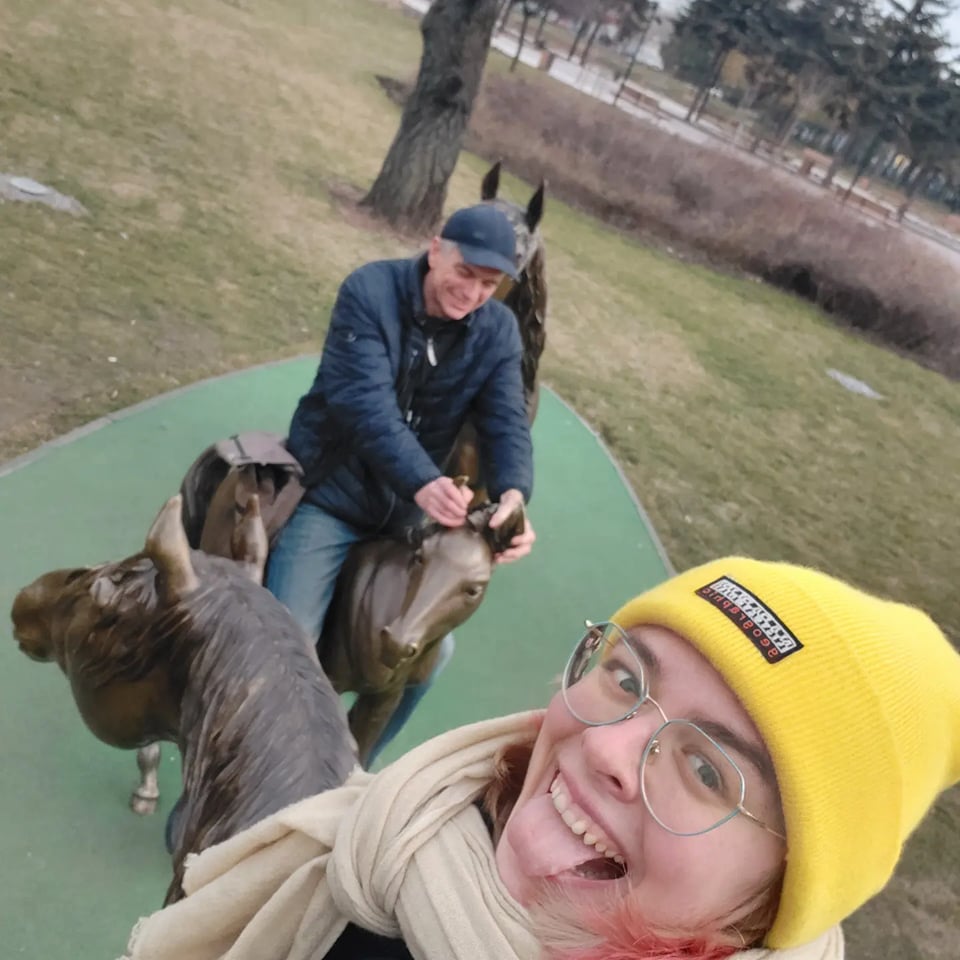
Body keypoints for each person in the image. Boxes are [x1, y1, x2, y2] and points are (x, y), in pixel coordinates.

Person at [119, 556, 960, 960]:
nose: (606, 745)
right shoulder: (380, 856)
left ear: (782, 891)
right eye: (625, 677)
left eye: (706, 770)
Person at [266, 203, 537, 762]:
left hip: (406, 521)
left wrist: (514, 494)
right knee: (285, 648)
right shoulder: (371, 291)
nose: (473, 293)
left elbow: (505, 417)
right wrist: (422, 481)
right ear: (436, 249)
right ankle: (239, 776)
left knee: (431, 658)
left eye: (489, 283)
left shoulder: (497, 331)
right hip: (334, 493)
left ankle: (351, 770)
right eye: (465, 273)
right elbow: (360, 402)